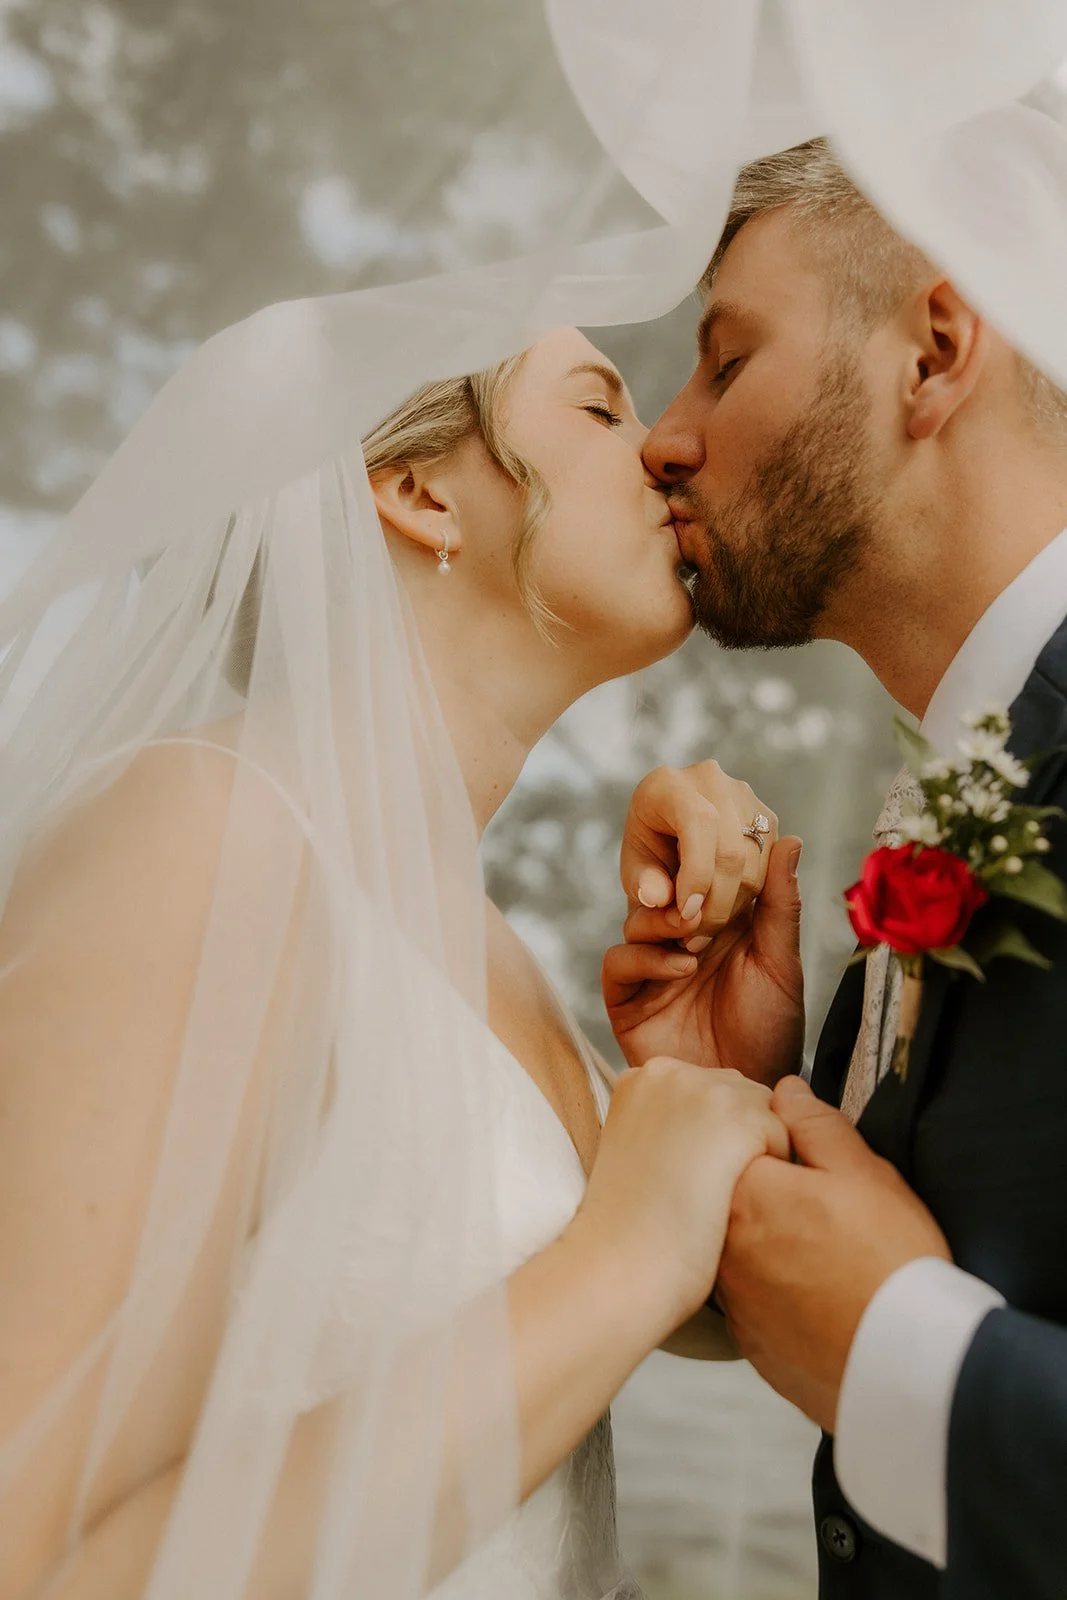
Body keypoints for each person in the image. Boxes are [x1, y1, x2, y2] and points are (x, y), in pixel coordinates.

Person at [0, 325, 797, 1600]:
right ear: (419, 491)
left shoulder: (495, 955)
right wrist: (624, 1254)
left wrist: (700, 1086)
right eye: (598, 408)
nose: (661, 446)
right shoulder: (204, 831)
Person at [610, 135, 1067, 1599]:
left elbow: (897, 1327)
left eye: (722, 363)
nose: (662, 440)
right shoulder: (951, 800)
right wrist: (752, 1114)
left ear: (930, 351)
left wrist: (902, 1366)